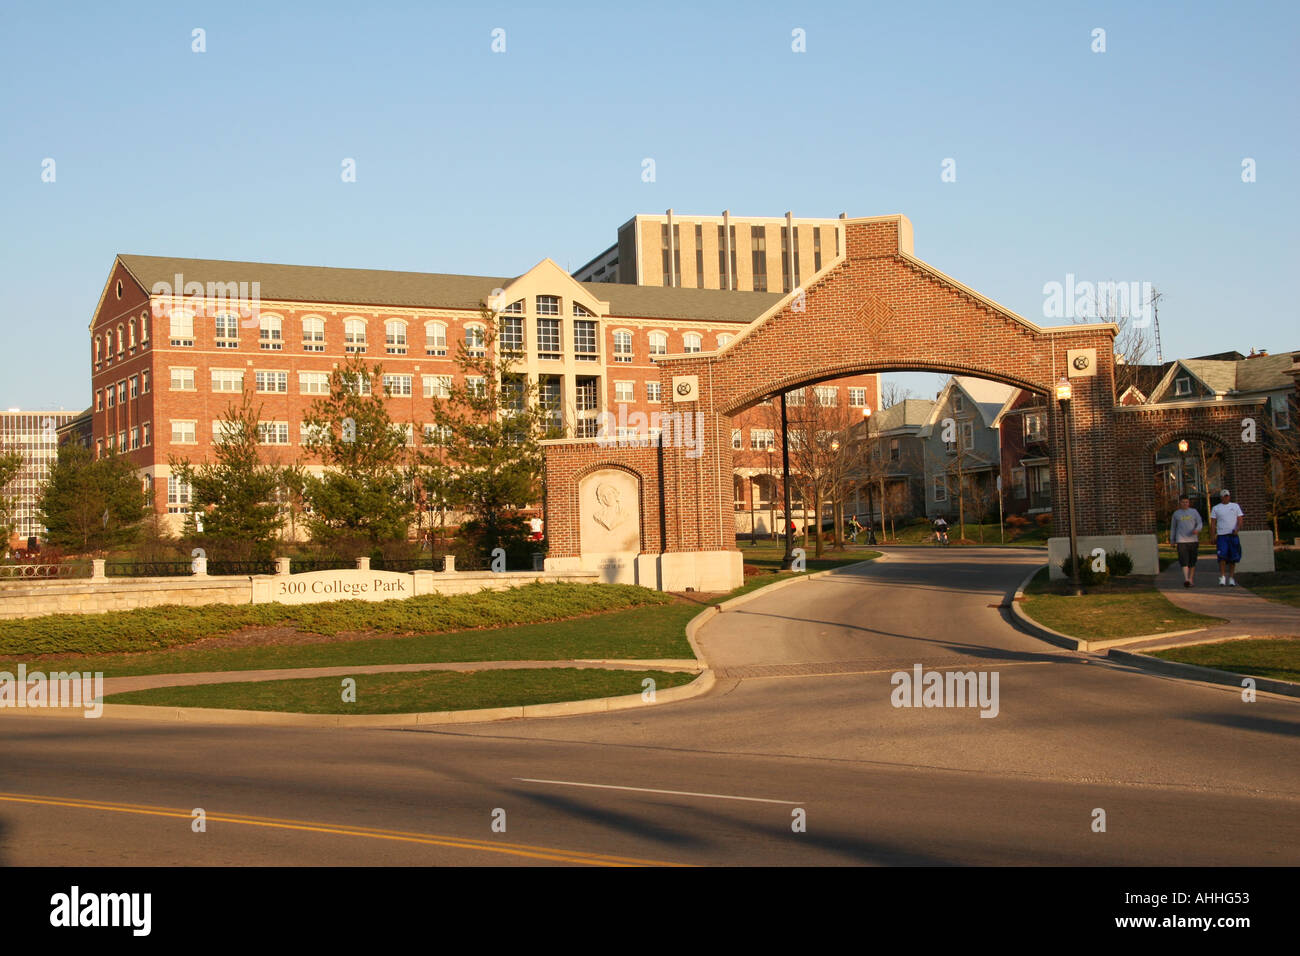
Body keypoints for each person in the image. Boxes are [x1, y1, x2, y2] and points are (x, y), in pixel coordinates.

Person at [1209, 489, 1244, 586]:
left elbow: (1240, 520)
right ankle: (1222, 577)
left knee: (1233, 558)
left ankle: (1232, 578)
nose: (1226, 498)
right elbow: (1213, 523)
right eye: (1224, 496)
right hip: (1222, 536)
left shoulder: (1235, 506)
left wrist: (1237, 529)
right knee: (1222, 557)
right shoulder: (1216, 508)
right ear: (1221, 497)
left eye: (1227, 496)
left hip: (1233, 535)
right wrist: (1212, 535)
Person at [1169, 494, 1203, 587]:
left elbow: (1200, 522)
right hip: (1181, 541)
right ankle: (1186, 579)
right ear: (1180, 503)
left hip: (1193, 540)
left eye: (1187, 502)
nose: (1185, 504)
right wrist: (1172, 539)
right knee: (1184, 560)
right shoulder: (1176, 514)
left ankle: (1191, 579)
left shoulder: (1194, 512)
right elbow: (1173, 527)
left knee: (1192, 561)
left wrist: (1197, 529)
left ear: (1189, 503)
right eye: (1183, 502)